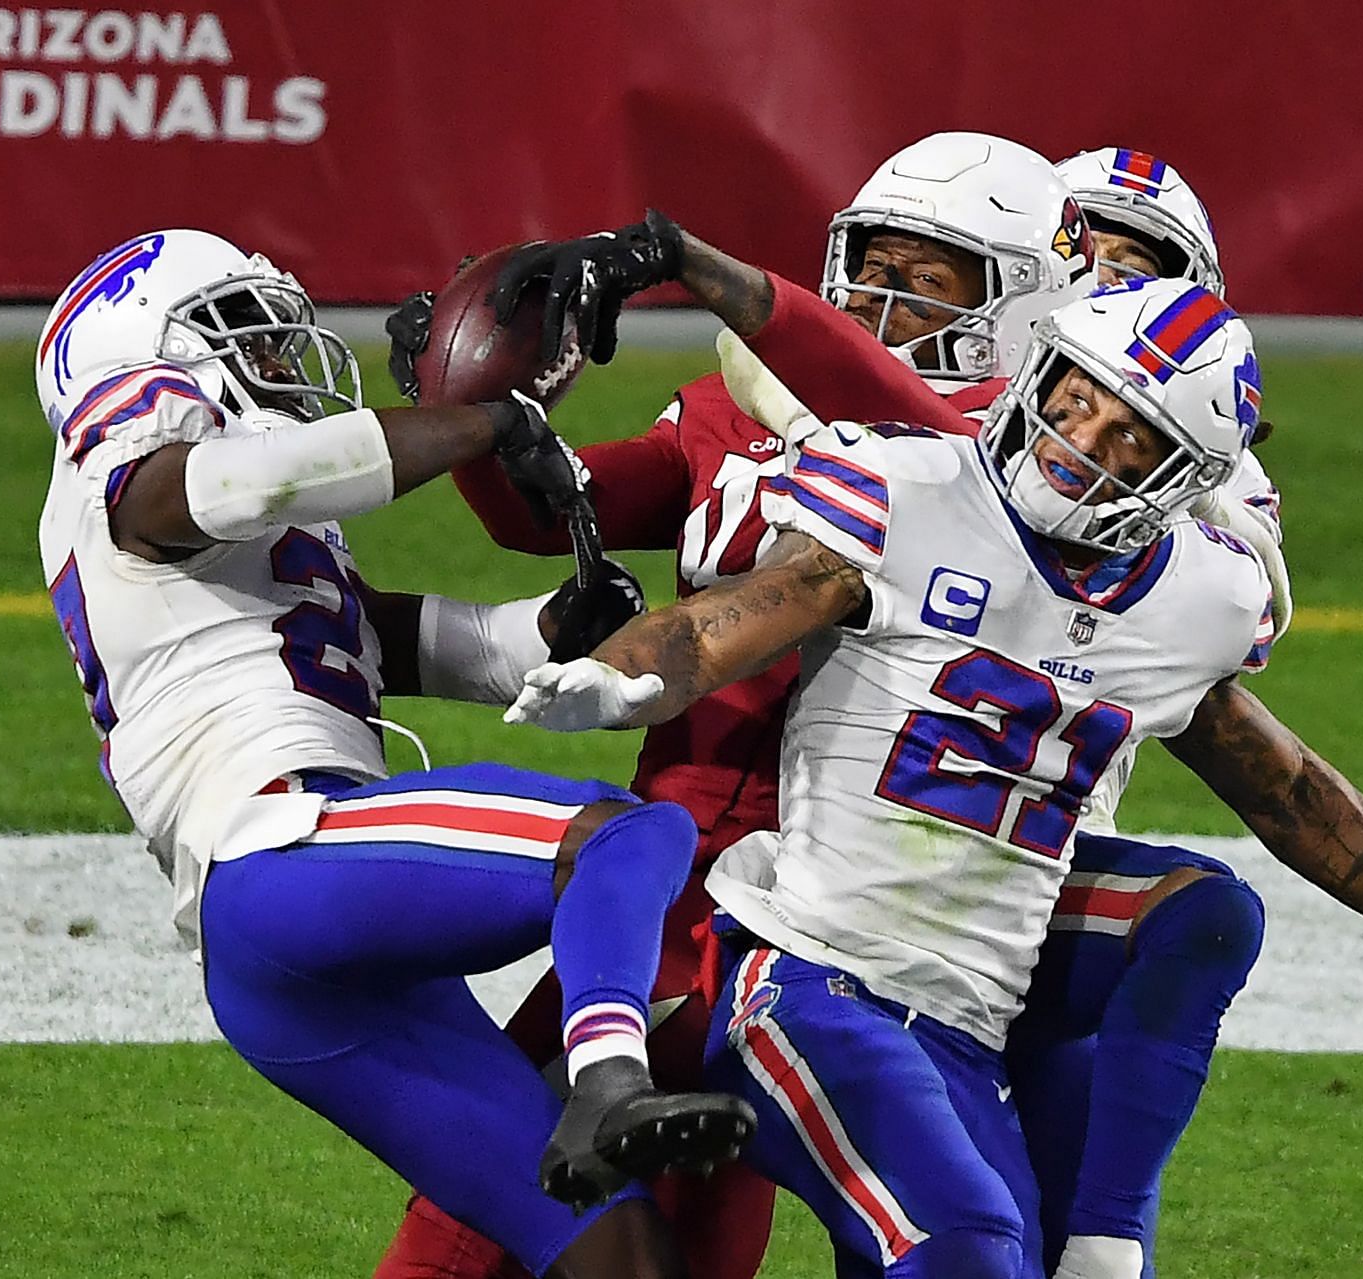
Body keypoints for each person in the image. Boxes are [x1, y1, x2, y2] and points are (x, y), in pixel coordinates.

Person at [490, 211, 1363, 1279]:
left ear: (1180, 482)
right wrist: (617, 678)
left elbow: (1284, 787)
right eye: (1079, 400)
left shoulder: (1192, 598)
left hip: (971, 1010)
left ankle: (1104, 1240)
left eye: (1131, 437)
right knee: (966, 1246)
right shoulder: (907, 485)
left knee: (1198, 927)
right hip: (809, 975)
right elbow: (736, 614)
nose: (1084, 441)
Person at [373, 131, 1101, 1279]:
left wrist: (703, 268)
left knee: (509, 1188)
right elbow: (559, 508)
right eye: (872, 262)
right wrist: (483, 411)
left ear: (1019, 301)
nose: (883, 296)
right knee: (653, 1196)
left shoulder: (999, 468)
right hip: (677, 853)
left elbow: (911, 423)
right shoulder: (739, 405)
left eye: (931, 276)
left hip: (821, 888)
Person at [34, 228, 752, 1279]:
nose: (282, 355)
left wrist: (550, 629)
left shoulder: (240, 528)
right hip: (281, 851)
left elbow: (379, 641)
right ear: (146, 355)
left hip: (299, 956)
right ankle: (607, 1081)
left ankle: (603, 1116)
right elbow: (225, 487)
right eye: (243, 328)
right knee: (625, 837)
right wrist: (478, 423)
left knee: (620, 1252)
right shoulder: (132, 451)